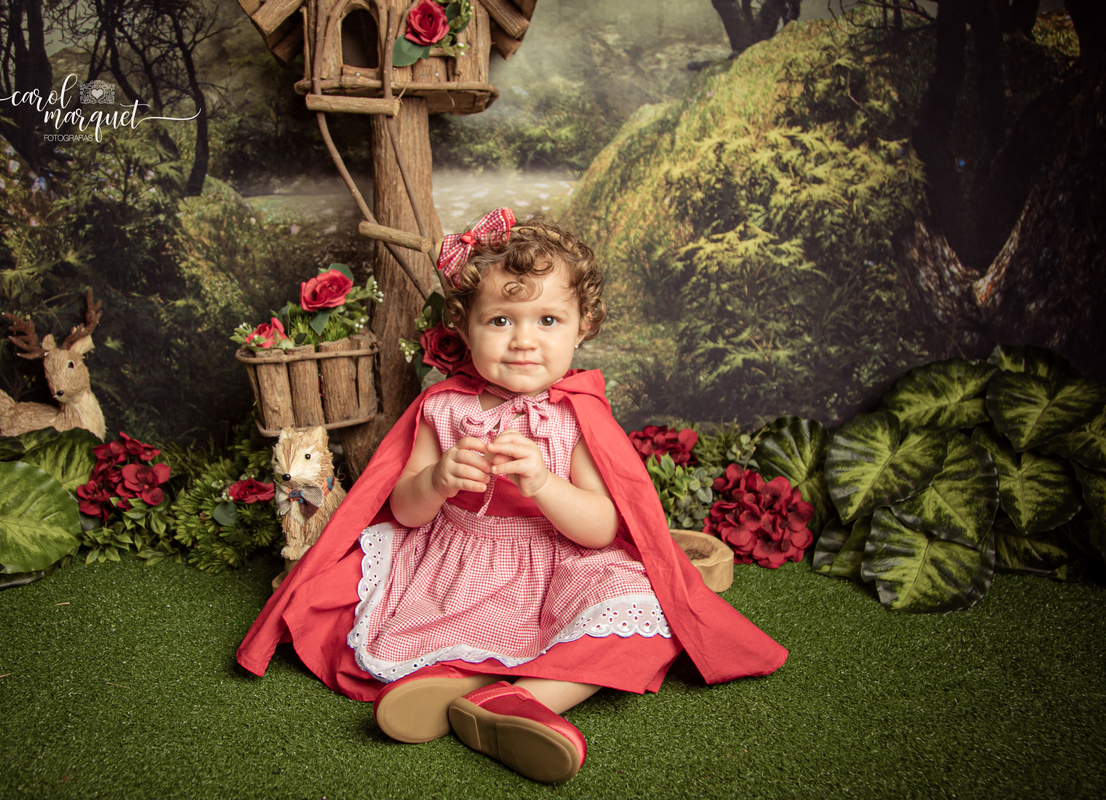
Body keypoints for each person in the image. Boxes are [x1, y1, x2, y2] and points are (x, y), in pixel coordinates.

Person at [237, 209, 787, 784]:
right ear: (464, 327)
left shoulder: (575, 418)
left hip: (557, 567)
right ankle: (484, 687)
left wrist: (546, 485)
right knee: (338, 594)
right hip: (458, 564)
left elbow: (601, 528)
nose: (524, 341)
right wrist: (439, 479)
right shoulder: (443, 409)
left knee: (649, 610)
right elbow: (402, 508)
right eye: (500, 320)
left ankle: (514, 698)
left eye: (548, 319)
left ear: (582, 328)